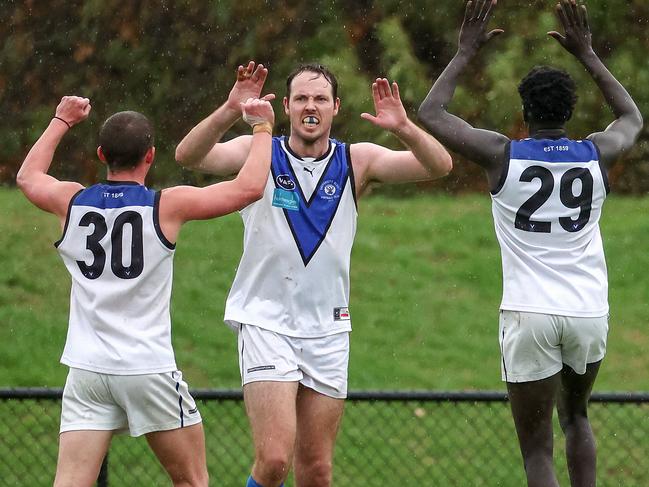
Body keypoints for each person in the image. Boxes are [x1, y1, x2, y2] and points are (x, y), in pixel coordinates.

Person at [175, 61, 452, 487]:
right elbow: (189, 156)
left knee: (317, 471)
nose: (311, 106)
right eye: (302, 98)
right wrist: (231, 109)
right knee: (273, 462)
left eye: (320, 98)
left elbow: (439, 166)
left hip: (328, 328)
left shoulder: (357, 160)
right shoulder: (260, 152)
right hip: (266, 320)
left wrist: (403, 127)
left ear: (335, 107)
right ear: (285, 106)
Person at [418, 1, 642, 486]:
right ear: (572, 110)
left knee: (537, 451)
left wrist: (464, 52)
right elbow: (631, 116)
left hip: (529, 312)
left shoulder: (503, 155)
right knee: (577, 418)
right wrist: (588, 54)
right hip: (587, 311)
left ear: (524, 112)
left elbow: (431, 113)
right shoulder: (596, 153)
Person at [16, 93, 275, 487]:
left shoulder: (72, 201)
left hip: (86, 369)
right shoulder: (165, 206)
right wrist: (261, 128)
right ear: (151, 155)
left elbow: (27, 176)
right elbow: (248, 188)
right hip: (146, 368)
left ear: (101, 154)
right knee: (191, 480)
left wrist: (61, 120)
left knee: (70, 482)